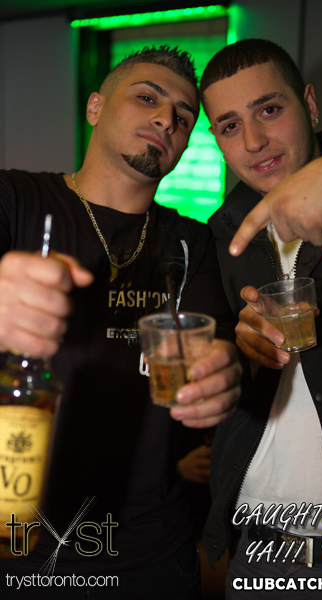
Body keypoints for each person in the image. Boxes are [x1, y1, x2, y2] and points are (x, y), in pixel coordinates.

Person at [0, 45, 243, 599]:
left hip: (150, 549)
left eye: (183, 117)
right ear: (95, 107)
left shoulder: (193, 240)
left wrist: (227, 372)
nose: (167, 119)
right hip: (19, 541)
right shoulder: (15, 198)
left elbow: (219, 345)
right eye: (147, 98)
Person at [199, 38, 322, 598]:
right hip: (261, 542)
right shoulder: (224, 236)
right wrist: (240, 355)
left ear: (309, 106)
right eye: (230, 126)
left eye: (269, 109)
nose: (254, 141)